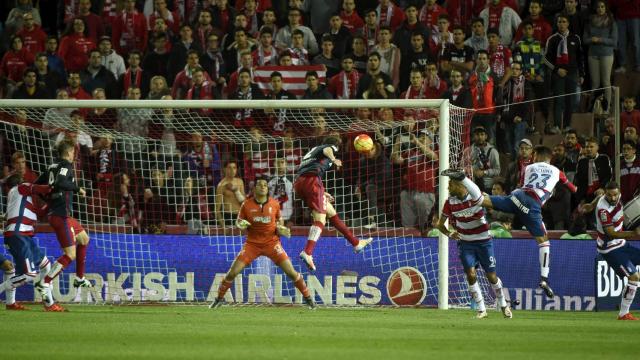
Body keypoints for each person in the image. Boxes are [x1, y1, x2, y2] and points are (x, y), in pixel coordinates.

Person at [481, 145, 577, 298]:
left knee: (486, 201)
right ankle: (544, 279)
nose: (532, 157)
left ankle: (467, 192)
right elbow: (573, 189)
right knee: (544, 242)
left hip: (517, 196)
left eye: (534, 154)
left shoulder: (529, 167)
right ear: (549, 158)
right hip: (531, 204)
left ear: (538, 155)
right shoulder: (558, 172)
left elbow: (521, 185)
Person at [210, 178, 315, 309]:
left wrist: (281, 228)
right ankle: (218, 299)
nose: (263, 187)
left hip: (272, 244)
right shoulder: (246, 205)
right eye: (260, 185)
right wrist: (241, 224)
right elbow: (239, 221)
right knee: (232, 273)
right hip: (252, 245)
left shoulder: (275, 204)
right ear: (255, 189)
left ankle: (309, 299)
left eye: (265, 185)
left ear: (267, 189)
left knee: (291, 272)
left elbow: (279, 220)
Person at [436, 169, 513, 319]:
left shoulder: (477, 198)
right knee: (471, 275)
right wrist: (449, 233)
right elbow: (440, 224)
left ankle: (503, 304)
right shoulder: (449, 203)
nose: (448, 188)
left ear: (461, 186)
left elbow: (495, 205)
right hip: (466, 243)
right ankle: (481, 309)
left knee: (491, 277)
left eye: (451, 185)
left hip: (484, 242)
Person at [294, 136, 372, 271]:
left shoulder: (313, 152)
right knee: (320, 219)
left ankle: (356, 242)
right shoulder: (329, 148)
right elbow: (328, 149)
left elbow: (308, 171)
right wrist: (333, 158)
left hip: (302, 182)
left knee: (330, 212)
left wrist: (321, 192)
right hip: (311, 181)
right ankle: (307, 252)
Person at [35, 140, 93, 298]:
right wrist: (77, 188)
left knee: (84, 239)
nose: (74, 155)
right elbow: (61, 182)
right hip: (60, 216)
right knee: (70, 254)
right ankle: (45, 282)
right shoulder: (66, 166)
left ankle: (80, 278)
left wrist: (48, 198)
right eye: (73, 152)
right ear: (68, 152)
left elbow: (36, 186)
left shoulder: (52, 167)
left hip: (61, 214)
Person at [0, 173, 65, 311]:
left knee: (46, 264)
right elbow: (42, 189)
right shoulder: (20, 188)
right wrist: (57, 185)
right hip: (18, 235)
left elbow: (39, 214)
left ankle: (49, 304)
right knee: (29, 275)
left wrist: (50, 204)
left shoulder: (20, 199)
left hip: (24, 236)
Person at [581, 181, 640, 320]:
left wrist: (591, 204)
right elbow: (611, 233)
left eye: (615, 195)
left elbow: (600, 195)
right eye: (609, 195)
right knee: (634, 277)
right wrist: (634, 233)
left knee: (635, 278)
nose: (613, 198)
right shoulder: (603, 210)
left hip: (621, 244)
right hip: (610, 248)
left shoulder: (611, 196)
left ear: (618, 192)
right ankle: (623, 313)